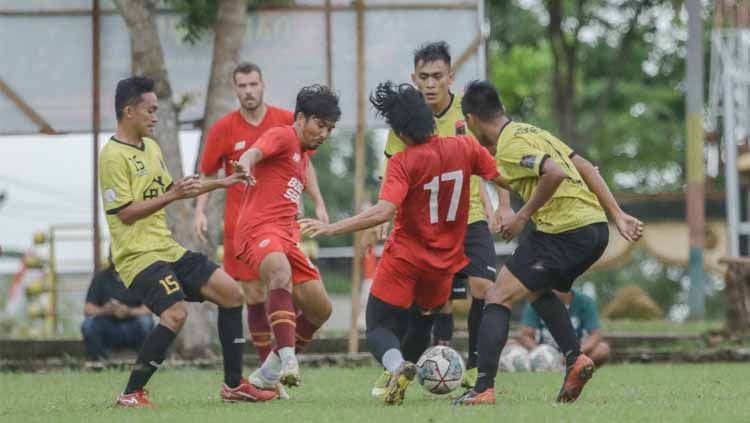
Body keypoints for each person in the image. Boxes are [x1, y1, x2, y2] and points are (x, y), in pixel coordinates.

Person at [299, 82, 506, 405]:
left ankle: (396, 366)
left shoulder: (403, 162)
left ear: (400, 132)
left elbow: (384, 210)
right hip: (444, 265)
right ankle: (406, 373)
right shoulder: (464, 147)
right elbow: (502, 176)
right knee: (423, 321)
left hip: (405, 260)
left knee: (378, 326)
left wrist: (331, 229)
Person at [453, 80, 643, 405]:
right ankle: (575, 359)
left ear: (471, 119)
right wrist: (617, 214)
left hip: (564, 231)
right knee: (537, 290)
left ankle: (483, 388)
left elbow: (552, 173)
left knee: (497, 296)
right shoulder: (533, 132)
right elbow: (583, 166)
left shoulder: (511, 145)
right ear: (503, 110)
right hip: (594, 228)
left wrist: (522, 216)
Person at [100, 76, 277, 407]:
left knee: (230, 293)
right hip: (138, 256)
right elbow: (125, 213)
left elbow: (180, 189)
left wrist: (225, 181)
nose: (155, 117)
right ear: (128, 111)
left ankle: (233, 385)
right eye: (150, 110)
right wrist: (171, 195)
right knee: (175, 314)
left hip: (167, 249)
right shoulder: (112, 156)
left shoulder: (151, 147)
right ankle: (130, 394)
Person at [374, 40, 502, 395]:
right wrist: (384, 216)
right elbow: (392, 175)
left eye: (437, 76)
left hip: (469, 215)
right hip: (425, 225)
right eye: (424, 77)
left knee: (484, 289)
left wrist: (502, 206)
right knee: (435, 302)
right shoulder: (406, 120)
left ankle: (476, 367)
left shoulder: (468, 114)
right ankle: (425, 363)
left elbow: (494, 158)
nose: (430, 84)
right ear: (414, 78)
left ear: (451, 77)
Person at [194, 62, 329, 366]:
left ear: (263, 85)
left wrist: (318, 201)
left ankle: (276, 365)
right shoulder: (223, 128)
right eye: (242, 86)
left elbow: (305, 165)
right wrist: (199, 212)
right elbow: (207, 172)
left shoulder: (288, 121)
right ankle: (270, 364)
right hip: (243, 223)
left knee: (291, 289)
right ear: (234, 90)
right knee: (254, 294)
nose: (248, 91)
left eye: (253, 84)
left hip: (282, 223)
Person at [233, 84, 340, 391]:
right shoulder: (284, 135)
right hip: (258, 229)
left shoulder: (304, 156)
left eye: (330, 129)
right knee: (279, 273)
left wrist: (319, 202)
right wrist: (245, 162)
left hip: (286, 236)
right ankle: (288, 358)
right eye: (320, 125)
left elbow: (306, 174)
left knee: (322, 309)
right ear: (301, 118)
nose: (324, 134)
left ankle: (268, 372)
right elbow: (255, 150)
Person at [81, 261, 153, 366]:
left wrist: (128, 311)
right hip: (108, 326)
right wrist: (105, 310)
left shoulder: (140, 277)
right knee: (88, 325)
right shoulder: (101, 277)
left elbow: (150, 308)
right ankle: (98, 361)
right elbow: (88, 309)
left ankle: (145, 361)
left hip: (133, 325)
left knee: (146, 321)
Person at [518, 289, 610, 368]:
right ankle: (548, 366)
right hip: (545, 350)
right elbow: (526, 335)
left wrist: (575, 353)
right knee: (510, 344)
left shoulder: (585, 301)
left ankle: (575, 368)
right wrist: (543, 355)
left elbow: (595, 334)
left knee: (602, 349)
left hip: (575, 353)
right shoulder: (536, 300)